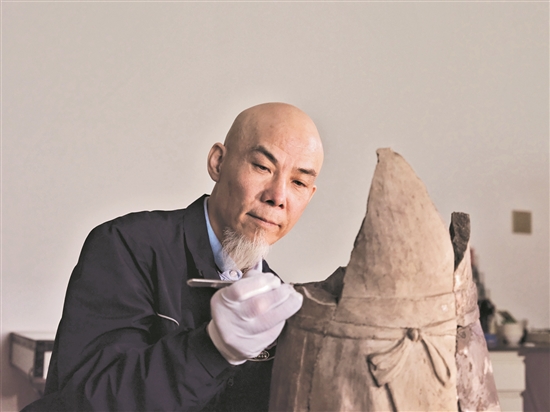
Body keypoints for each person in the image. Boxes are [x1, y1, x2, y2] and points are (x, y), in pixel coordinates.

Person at [23, 102, 324, 411]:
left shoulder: (275, 303)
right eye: (262, 167)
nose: (278, 196)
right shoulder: (126, 246)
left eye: (298, 182)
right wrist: (211, 348)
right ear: (218, 162)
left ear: (310, 195)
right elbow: (83, 402)